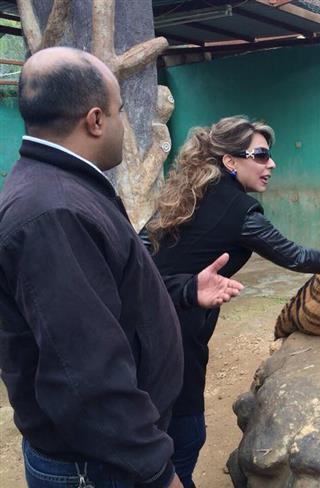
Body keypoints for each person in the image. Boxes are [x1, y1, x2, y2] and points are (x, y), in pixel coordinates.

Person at [0, 47, 243, 488]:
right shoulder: (54, 212)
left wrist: (185, 291)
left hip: (107, 457)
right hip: (97, 467)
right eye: (120, 111)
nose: (123, 122)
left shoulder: (67, 188)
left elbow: (107, 295)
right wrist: (156, 470)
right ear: (95, 120)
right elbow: (87, 373)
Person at [145, 115, 320, 487]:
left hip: (148, 316)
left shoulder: (190, 192)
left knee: (157, 419)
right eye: (261, 155)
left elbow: (141, 244)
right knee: (186, 436)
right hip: (178, 327)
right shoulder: (239, 210)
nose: (272, 164)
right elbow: (293, 255)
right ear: (230, 161)